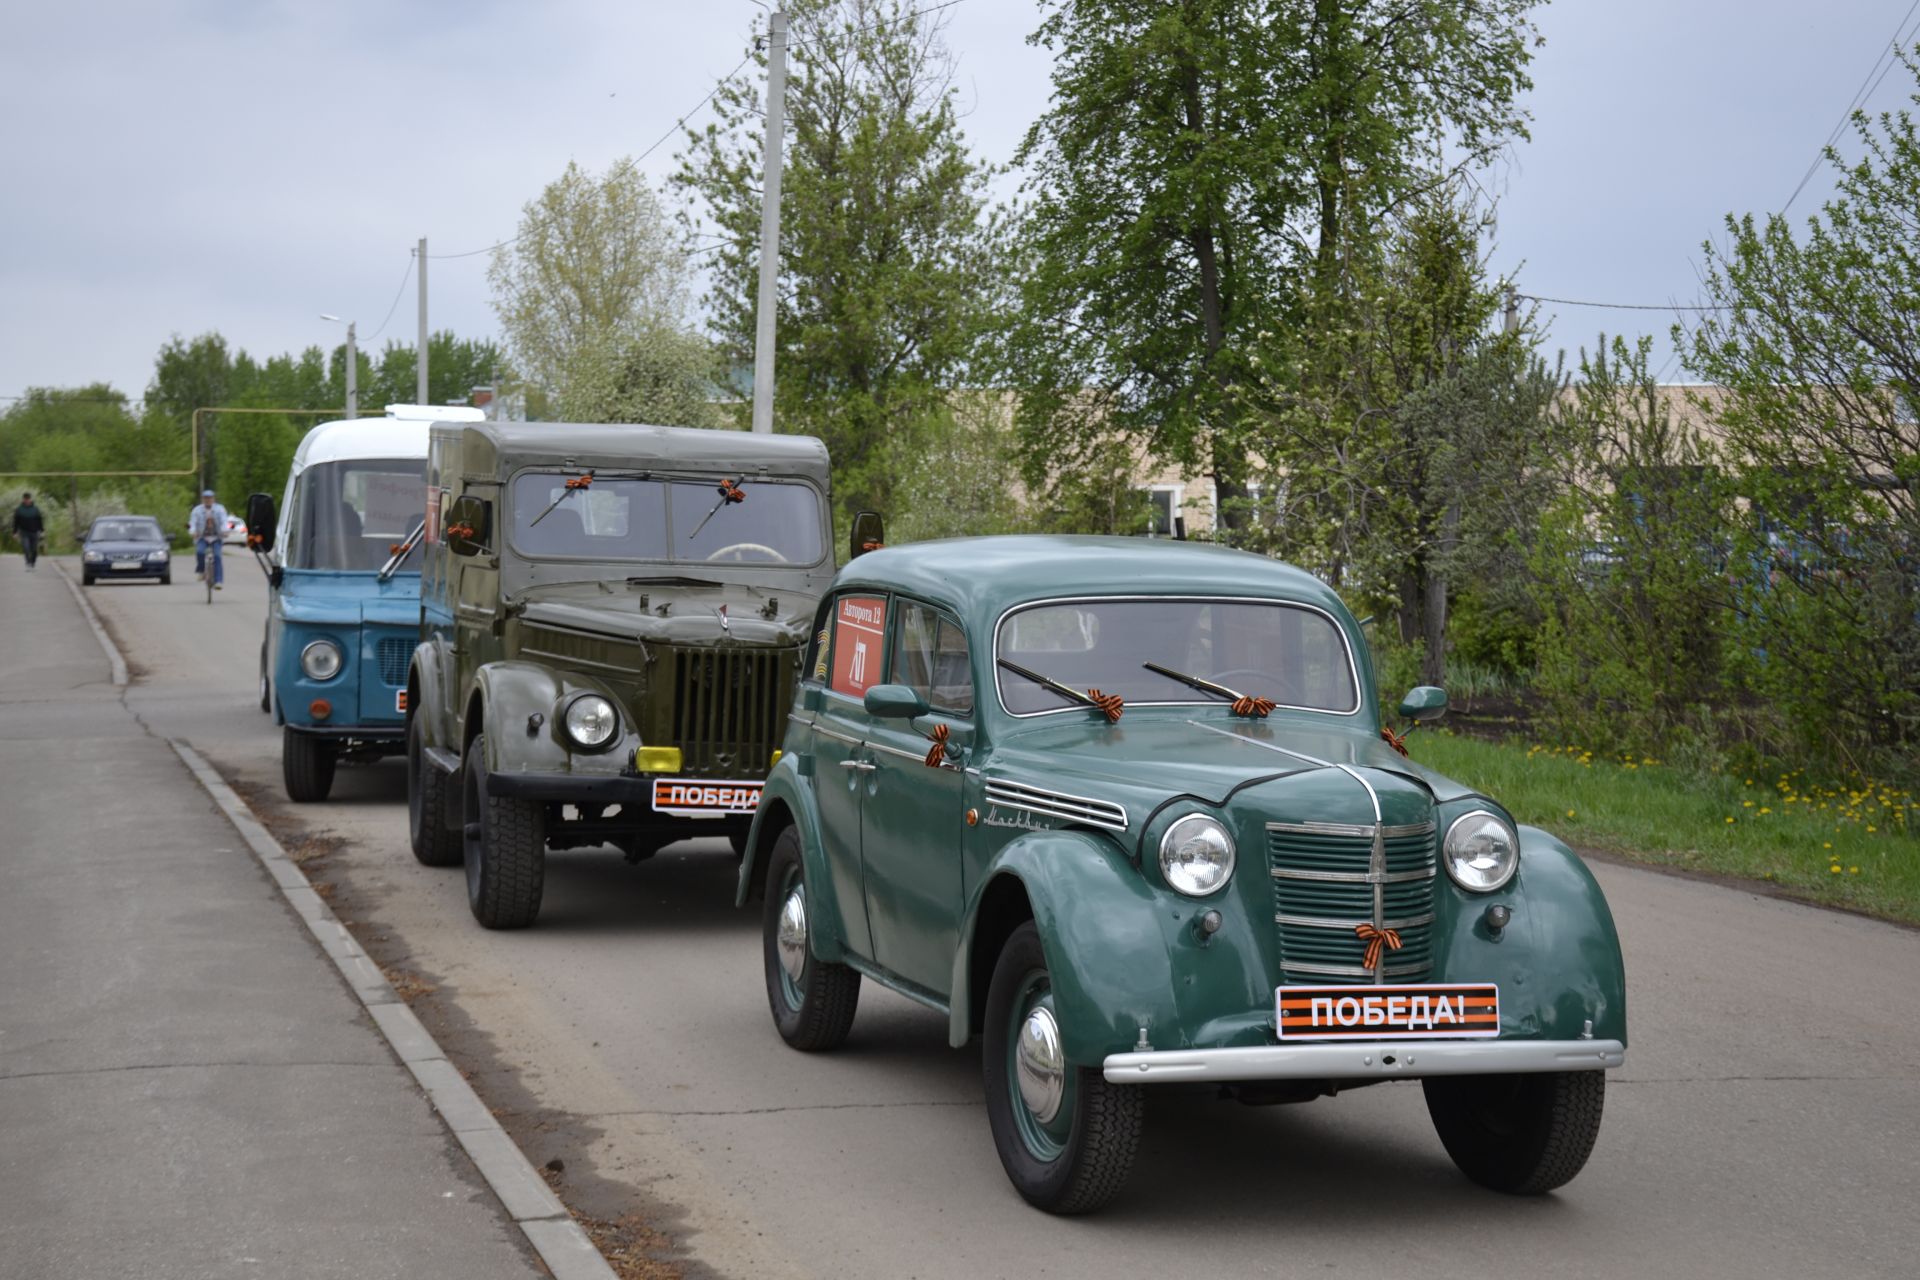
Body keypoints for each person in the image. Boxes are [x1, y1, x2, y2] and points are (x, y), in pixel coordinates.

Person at [188, 490, 229, 589]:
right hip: (202, 537)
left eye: (210, 498)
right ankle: (201, 571)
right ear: (202, 499)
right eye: (206, 498)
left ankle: (218, 581)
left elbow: (224, 521)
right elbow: (192, 523)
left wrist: (225, 531)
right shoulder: (197, 510)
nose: (208, 500)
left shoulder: (220, 509)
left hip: (216, 537)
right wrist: (193, 532)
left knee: (218, 556)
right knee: (200, 552)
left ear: (213, 499)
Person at [10, 492, 44, 571]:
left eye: (28, 499)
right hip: (24, 532)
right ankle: (28, 563)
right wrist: (15, 532)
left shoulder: (35, 509)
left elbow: (39, 520)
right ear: (23, 499)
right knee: (26, 548)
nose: (27, 500)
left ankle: (33, 562)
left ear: (30, 499)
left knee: (34, 549)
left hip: (34, 532)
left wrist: (42, 530)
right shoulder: (19, 510)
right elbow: (16, 522)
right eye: (25, 499)